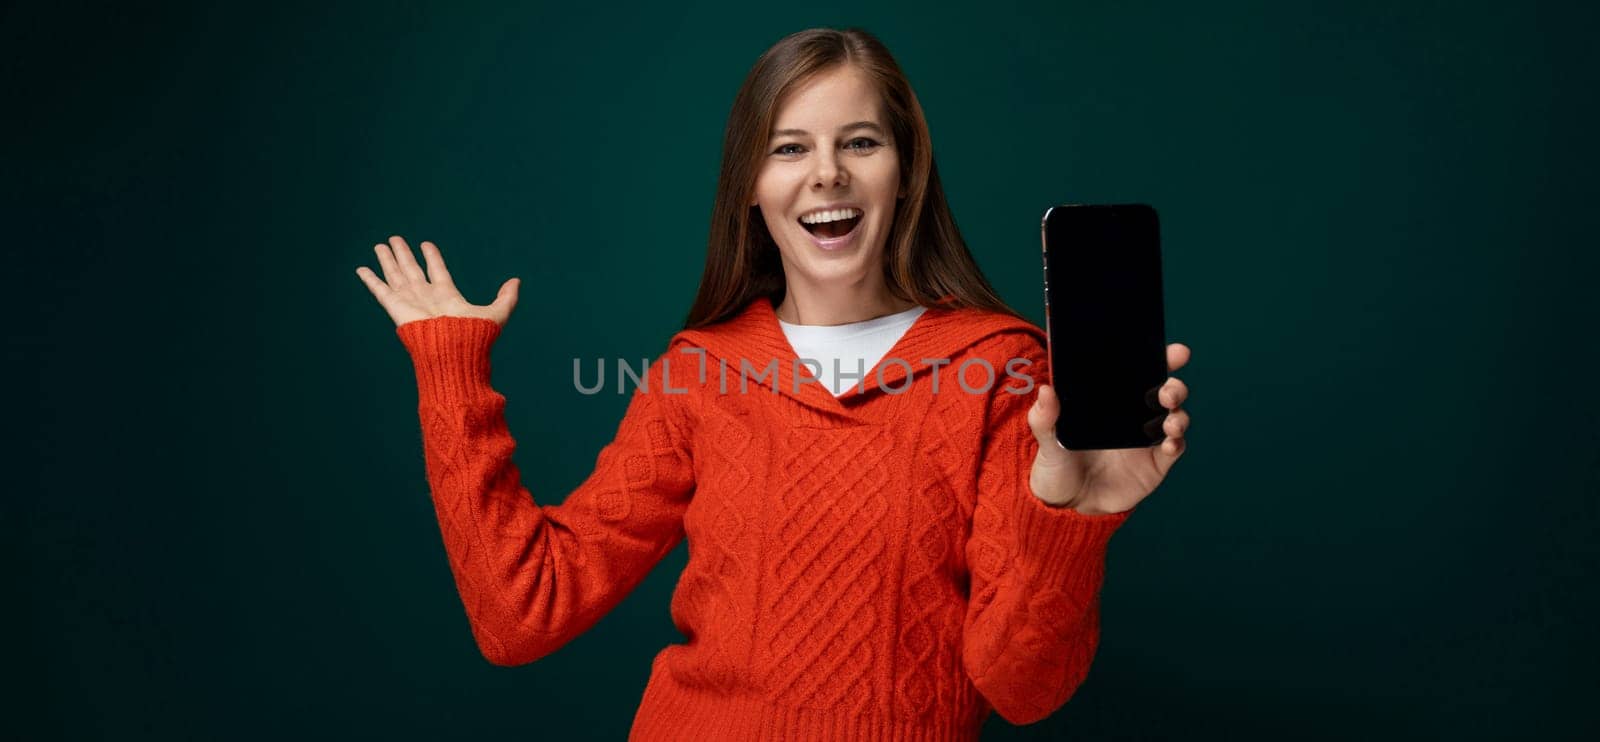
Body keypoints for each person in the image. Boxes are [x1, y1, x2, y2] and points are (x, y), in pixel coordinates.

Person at [355, 26, 1191, 742]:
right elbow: (520, 614)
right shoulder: (699, 374)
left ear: (907, 171)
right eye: (789, 148)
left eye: (861, 142)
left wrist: (1077, 521)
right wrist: (451, 371)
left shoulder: (1005, 372)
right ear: (751, 188)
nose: (826, 173)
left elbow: (1021, 688)